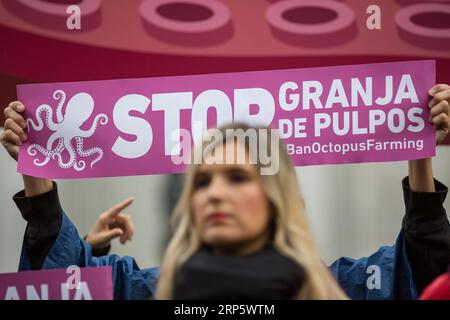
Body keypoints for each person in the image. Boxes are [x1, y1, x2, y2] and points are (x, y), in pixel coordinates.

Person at [1, 84, 450, 299]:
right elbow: (62, 284)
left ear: (276, 197)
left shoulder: (336, 290)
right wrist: (33, 163)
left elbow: (424, 273)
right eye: (202, 181)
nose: (215, 194)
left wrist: (421, 148)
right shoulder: (152, 291)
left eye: (237, 178)